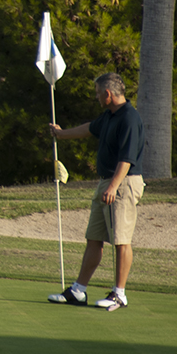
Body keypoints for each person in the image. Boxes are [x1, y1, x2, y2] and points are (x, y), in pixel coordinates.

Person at [47, 72, 145, 310]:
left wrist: (113, 186)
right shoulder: (109, 116)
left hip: (122, 184)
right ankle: (79, 290)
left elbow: (127, 159)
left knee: (121, 240)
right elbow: (89, 129)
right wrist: (61, 134)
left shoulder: (129, 118)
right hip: (106, 183)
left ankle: (119, 294)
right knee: (94, 239)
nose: (97, 97)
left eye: (98, 93)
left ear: (108, 94)